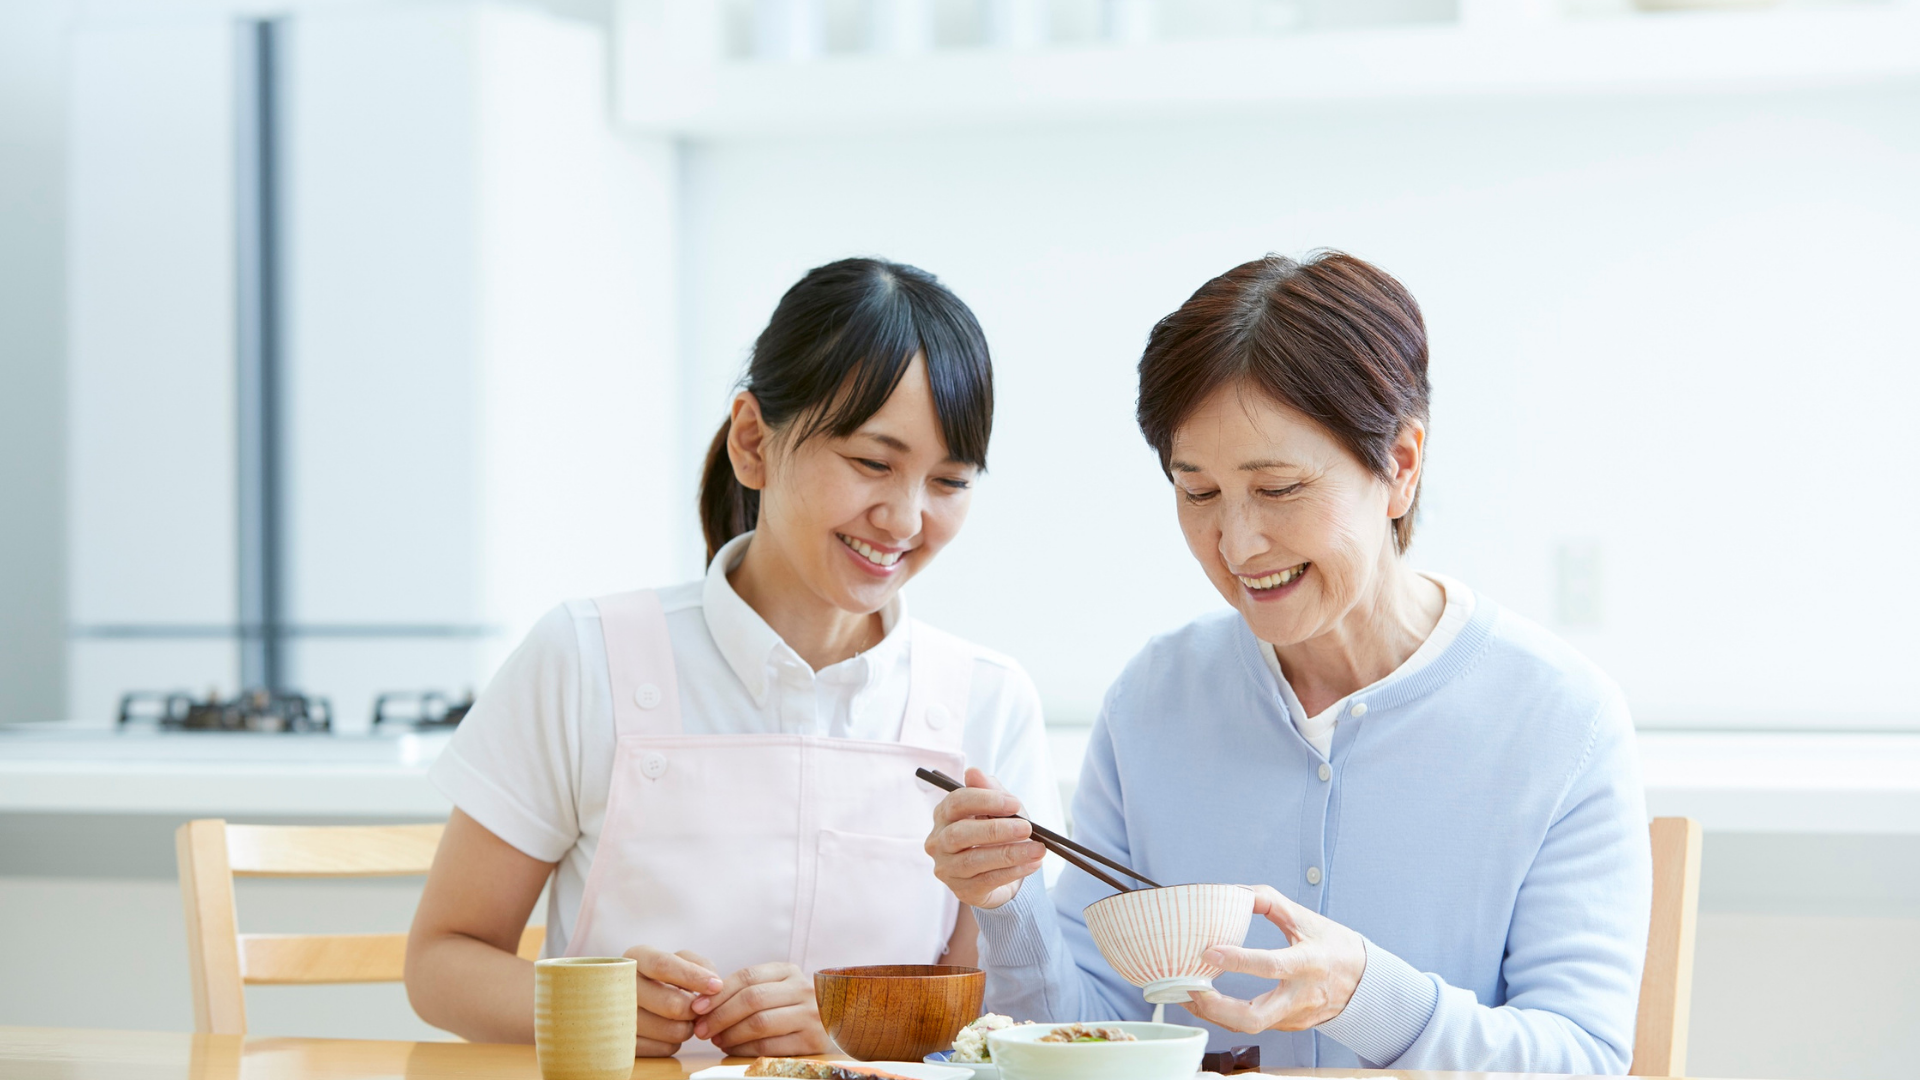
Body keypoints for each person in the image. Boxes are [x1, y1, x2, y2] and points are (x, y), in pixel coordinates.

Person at [925, 252, 1651, 1074]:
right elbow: (1097, 1038)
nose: (1236, 544)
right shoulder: (1154, 703)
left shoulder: (1561, 721)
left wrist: (1368, 997)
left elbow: (1583, 1058)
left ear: (1400, 466)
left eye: (1276, 489)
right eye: (1197, 494)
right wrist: (1007, 902)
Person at [407, 257, 1060, 1058]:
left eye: (949, 480)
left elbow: (997, 1016)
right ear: (754, 442)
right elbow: (441, 963)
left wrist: (845, 1027)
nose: (904, 516)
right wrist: (599, 1005)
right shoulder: (586, 656)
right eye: (871, 463)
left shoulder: (986, 699)